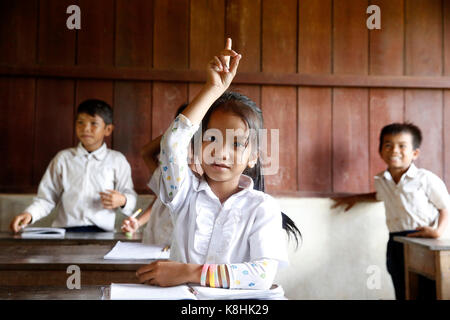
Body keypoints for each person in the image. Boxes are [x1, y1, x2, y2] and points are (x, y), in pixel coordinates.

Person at [135, 38, 300, 290]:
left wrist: (187, 272)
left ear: (253, 156)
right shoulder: (182, 194)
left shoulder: (262, 207)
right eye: (211, 139)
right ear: (198, 145)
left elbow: (261, 276)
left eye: (236, 144)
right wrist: (213, 89)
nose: (221, 153)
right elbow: (172, 144)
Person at [332, 122, 449, 299]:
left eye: (402, 146)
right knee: (401, 286)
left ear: (415, 153)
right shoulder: (381, 180)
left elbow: (445, 206)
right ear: (380, 151)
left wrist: (437, 232)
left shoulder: (426, 179)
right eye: (388, 145)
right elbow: (381, 196)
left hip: (423, 239)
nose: (394, 150)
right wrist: (356, 198)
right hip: (395, 240)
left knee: (427, 288)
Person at [10, 99, 137, 233]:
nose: (86, 128)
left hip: (103, 234)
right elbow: (47, 198)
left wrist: (123, 200)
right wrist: (30, 214)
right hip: (65, 233)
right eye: (80, 122)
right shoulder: (63, 159)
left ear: (108, 129)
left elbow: (130, 195)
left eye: (93, 123)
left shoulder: (117, 160)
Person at [121, 104, 203, 246]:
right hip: (157, 235)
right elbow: (161, 198)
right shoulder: (169, 167)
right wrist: (138, 223)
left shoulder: (210, 173)